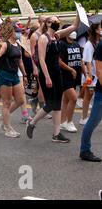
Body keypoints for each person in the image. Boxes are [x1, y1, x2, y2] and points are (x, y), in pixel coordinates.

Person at [26, 15, 80, 143]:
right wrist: (47, 77)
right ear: (48, 23)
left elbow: (74, 26)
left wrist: (79, 13)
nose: (58, 22)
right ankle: (32, 123)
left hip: (57, 73)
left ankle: (56, 134)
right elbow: (41, 60)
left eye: (58, 21)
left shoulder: (56, 36)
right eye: (55, 21)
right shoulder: (43, 38)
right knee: (51, 104)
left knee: (57, 105)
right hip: (47, 74)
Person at [0, 19, 28, 138]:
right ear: (11, 32)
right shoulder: (6, 44)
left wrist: (25, 75)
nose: (19, 33)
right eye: (17, 31)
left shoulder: (17, 44)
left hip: (14, 74)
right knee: (6, 103)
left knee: (20, 100)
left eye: (19, 31)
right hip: (4, 74)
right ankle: (8, 128)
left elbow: (20, 61)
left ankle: (2, 118)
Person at [79, 39, 102, 162]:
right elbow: (99, 70)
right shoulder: (101, 46)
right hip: (101, 92)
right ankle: (84, 150)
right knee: (93, 121)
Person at [58, 27, 82, 133]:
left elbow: (79, 59)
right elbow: (59, 61)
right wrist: (70, 69)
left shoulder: (76, 44)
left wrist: (85, 72)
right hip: (65, 75)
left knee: (66, 100)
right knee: (74, 98)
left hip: (75, 76)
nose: (74, 33)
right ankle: (69, 121)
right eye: (71, 31)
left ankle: (62, 122)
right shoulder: (61, 44)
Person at [81, 22, 101, 126]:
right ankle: (84, 118)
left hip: (99, 73)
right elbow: (87, 61)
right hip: (92, 75)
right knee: (88, 96)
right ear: (96, 31)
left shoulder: (99, 42)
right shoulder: (89, 44)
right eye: (100, 28)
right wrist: (89, 77)